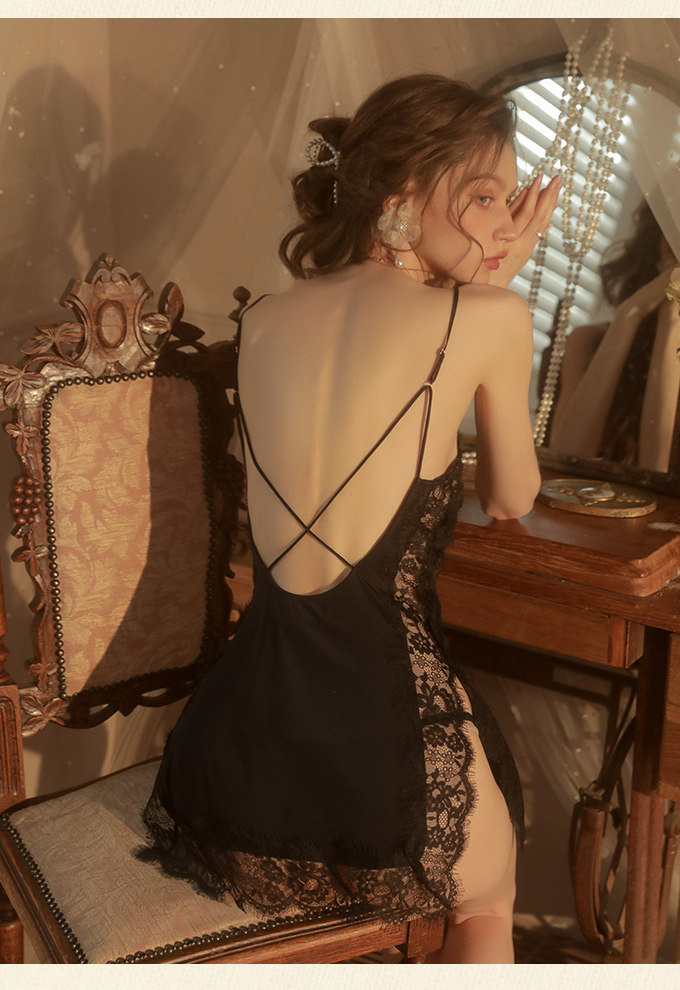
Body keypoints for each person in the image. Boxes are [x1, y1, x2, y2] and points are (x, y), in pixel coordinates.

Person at [140, 73, 559, 964]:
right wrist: (497, 289)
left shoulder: (264, 319)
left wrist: (479, 279)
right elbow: (512, 498)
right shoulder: (488, 316)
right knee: (488, 903)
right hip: (376, 771)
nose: (505, 225)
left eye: (510, 200)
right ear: (401, 195)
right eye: (485, 197)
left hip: (233, 768)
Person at [549, 199, 680, 471]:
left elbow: (659, 472)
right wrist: (629, 315)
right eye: (673, 229)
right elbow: (566, 460)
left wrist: (673, 318)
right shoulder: (587, 341)